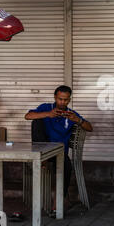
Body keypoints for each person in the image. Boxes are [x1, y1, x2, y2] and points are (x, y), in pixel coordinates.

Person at [24, 85, 93, 216]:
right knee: (36, 121)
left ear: (69, 100)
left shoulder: (71, 114)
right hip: (43, 150)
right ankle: (41, 159)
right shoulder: (46, 107)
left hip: (59, 153)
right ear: (55, 97)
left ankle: (57, 205)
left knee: (67, 166)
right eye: (60, 99)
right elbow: (27, 116)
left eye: (66, 100)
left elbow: (89, 127)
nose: (63, 102)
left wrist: (77, 120)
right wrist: (48, 114)